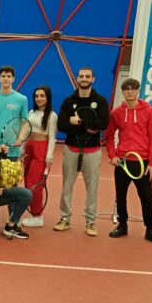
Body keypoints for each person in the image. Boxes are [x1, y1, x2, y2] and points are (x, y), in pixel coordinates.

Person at [105, 77, 152, 246]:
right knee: (120, 195)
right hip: (122, 162)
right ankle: (122, 225)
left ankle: (151, 229)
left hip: (143, 163)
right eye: (127, 89)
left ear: (138, 90)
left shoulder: (148, 111)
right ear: (123, 92)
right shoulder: (116, 112)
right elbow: (108, 137)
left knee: (147, 197)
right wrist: (112, 156)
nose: (130, 92)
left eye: (133, 89)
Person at [54, 66, 109, 236]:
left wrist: (79, 122)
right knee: (66, 186)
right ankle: (65, 218)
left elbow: (103, 124)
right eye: (81, 76)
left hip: (92, 152)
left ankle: (90, 222)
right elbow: (62, 125)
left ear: (93, 79)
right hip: (71, 150)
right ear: (77, 79)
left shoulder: (100, 101)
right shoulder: (68, 101)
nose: (84, 79)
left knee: (92, 188)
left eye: (87, 76)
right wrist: (89, 127)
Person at [21, 85, 58, 228]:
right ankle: (33, 215)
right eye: (36, 96)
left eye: (42, 96)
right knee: (27, 183)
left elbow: (52, 137)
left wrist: (49, 157)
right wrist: (22, 149)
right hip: (29, 149)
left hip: (41, 150)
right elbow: (27, 132)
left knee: (35, 185)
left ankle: (38, 217)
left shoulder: (52, 116)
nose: (39, 98)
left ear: (48, 97)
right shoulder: (31, 112)